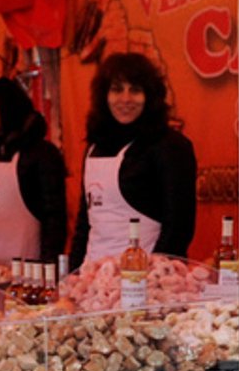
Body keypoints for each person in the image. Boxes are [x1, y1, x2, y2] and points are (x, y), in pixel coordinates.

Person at [69, 51, 196, 266]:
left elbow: (178, 227)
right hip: (94, 280)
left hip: (145, 281)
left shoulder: (170, 146)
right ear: (104, 96)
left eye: (135, 90)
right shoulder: (94, 147)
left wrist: (151, 279)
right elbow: (85, 223)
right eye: (117, 90)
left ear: (150, 96)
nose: (125, 99)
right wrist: (72, 277)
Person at [0, 75, 67, 263]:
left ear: (8, 105)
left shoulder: (41, 154)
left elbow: (54, 219)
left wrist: (48, 268)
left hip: (27, 273)